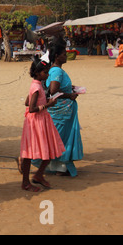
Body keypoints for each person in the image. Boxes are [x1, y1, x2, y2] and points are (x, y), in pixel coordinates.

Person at [20, 55, 65, 192]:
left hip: (42, 120)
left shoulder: (36, 85)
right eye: (45, 73)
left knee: (51, 148)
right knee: (29, 153)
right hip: (37, 121)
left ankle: (38, 175)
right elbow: (32, 108)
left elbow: (27, 102)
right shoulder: (37, 87)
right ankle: (26, 182)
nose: (47, 75)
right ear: (38, 73)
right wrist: (47, 105)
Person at [42, 42, 84, 177]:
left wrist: (70, 88)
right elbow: (53, 90)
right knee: (60, 138)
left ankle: (60, 167)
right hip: (61, 111)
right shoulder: (56, 71)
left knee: (60, 138)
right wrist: (69, 95)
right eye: (63, 55)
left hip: (63, 110)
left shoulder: (56, 70)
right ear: (56, 56)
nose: (66, 57)